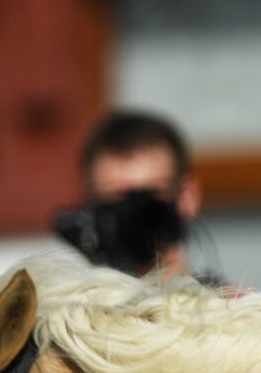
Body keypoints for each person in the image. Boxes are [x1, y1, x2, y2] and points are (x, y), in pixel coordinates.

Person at [55, 109, 202, 280]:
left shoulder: (227, 304)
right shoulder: (63, 304)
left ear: (187, 197)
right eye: (111, 201)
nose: (128, 216)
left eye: (145, 199)